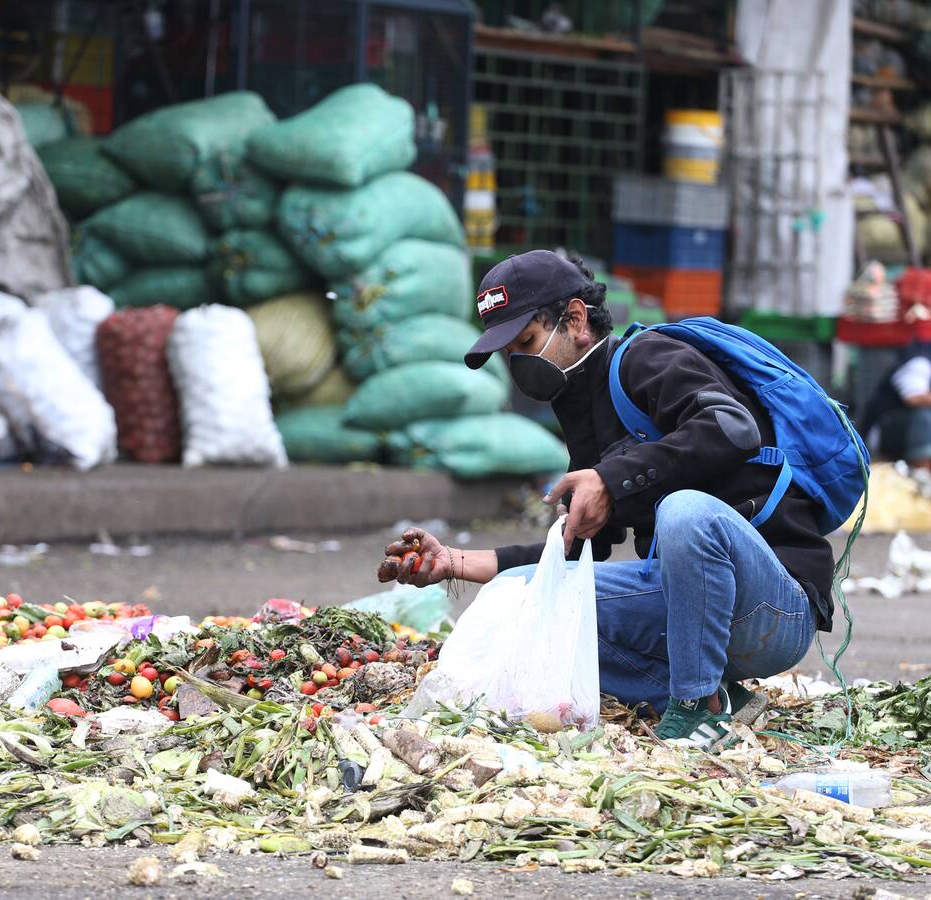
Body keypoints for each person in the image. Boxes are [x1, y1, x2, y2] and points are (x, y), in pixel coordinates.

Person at [379, 250, 833, 750]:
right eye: (509, 355)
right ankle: (715, 698)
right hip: (685, 608)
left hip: (774, 607)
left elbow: (731, 428)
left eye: (525, 343)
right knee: (527, 601)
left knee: (684, 512)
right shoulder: (578, 405)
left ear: (575, 319)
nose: (518, 365)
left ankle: (692, 709)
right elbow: (576, 550)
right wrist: (453, 562)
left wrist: (611, 479)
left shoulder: (647, 357)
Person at [860, 342, 931, 469]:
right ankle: (922, 474)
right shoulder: (920, 361)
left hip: (908, 435)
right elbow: (913, 398)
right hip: (882, 434)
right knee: (924, 415)